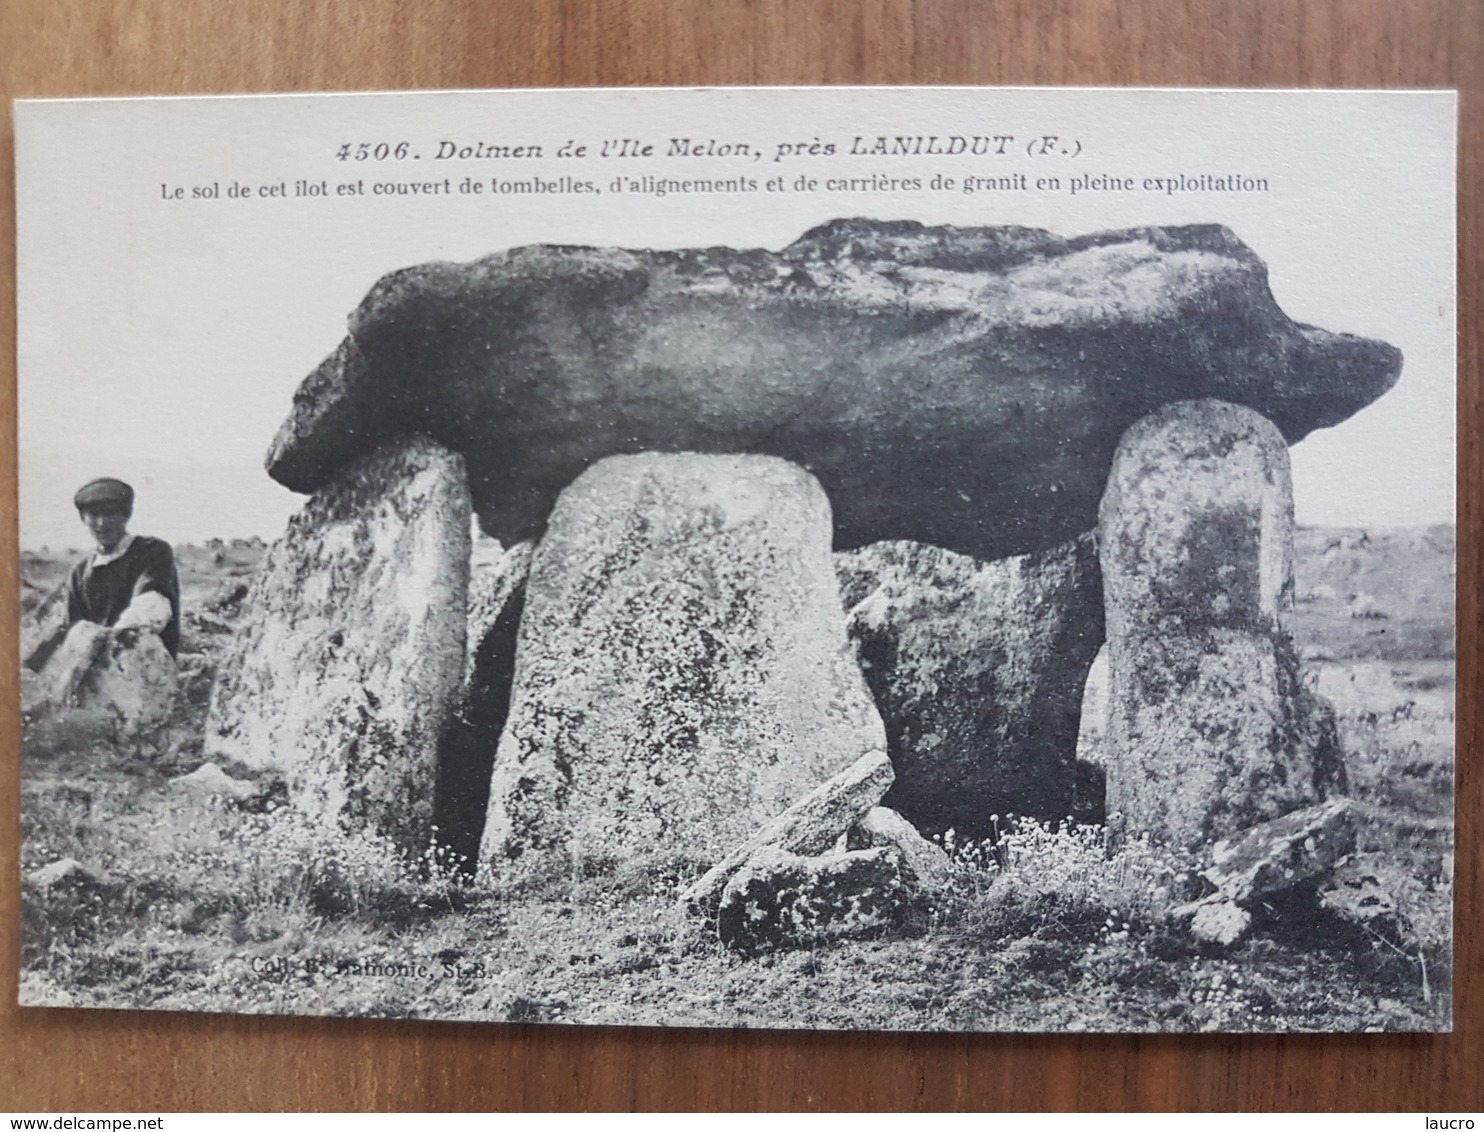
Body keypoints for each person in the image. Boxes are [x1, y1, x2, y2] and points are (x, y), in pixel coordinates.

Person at [64, 477, 181, 656]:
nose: (101, 524)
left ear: (126, 515)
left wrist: (114, 640)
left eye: (109, 514)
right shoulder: (79, 573)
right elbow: (74, 630)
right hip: (98, 670)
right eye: (94, 515)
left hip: (146, 661)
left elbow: (151, 606)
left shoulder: (151, 551)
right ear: (83, 518)